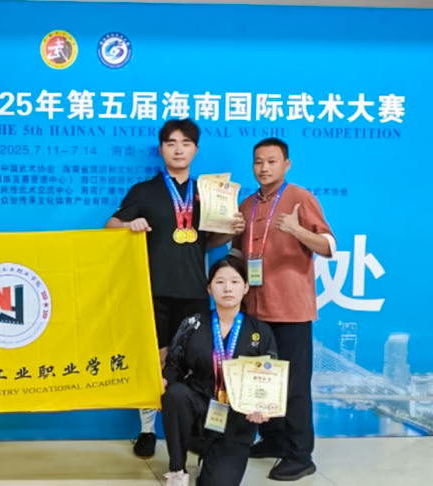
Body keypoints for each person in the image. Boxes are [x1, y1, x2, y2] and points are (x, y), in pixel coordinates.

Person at [106, 119, 245, 458]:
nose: (178, 149)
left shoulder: (209, 193)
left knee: (194, 362)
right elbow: (110, 226)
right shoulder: (145, 191)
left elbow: (210, 242)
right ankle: (147, 431)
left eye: (185, 143)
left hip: (194, 291)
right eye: (171, 143)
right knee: (153, 361)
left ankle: (192, 430)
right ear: (161, 149)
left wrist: (231, 229)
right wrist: (129, 225)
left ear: (195, 149)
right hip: (152, 291)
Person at [231, 138, 335, 481]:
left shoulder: (300, 197)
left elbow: (329, 246)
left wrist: (297, 230)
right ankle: (273, 439)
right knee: (262, 379)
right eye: (258, 162)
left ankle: (300, 455)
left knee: (294, 386)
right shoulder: (246, 205)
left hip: (291, 310)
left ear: (286, 164)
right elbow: (237, 255)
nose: (264, 168)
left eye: (272, 161)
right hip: (254, 309)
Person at [161, 256, 278, 486]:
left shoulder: (260, 331)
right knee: (175, 395)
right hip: (199, 405)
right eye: (220, 282)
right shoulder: (193, 324)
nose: (227, 288)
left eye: (234, 282)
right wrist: (165, 380)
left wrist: (262, 407)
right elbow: (175, 365)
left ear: (245, 287)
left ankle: (213, 461)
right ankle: (177, 470)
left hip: (236, 417)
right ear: (209, 289)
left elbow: (269, 379)